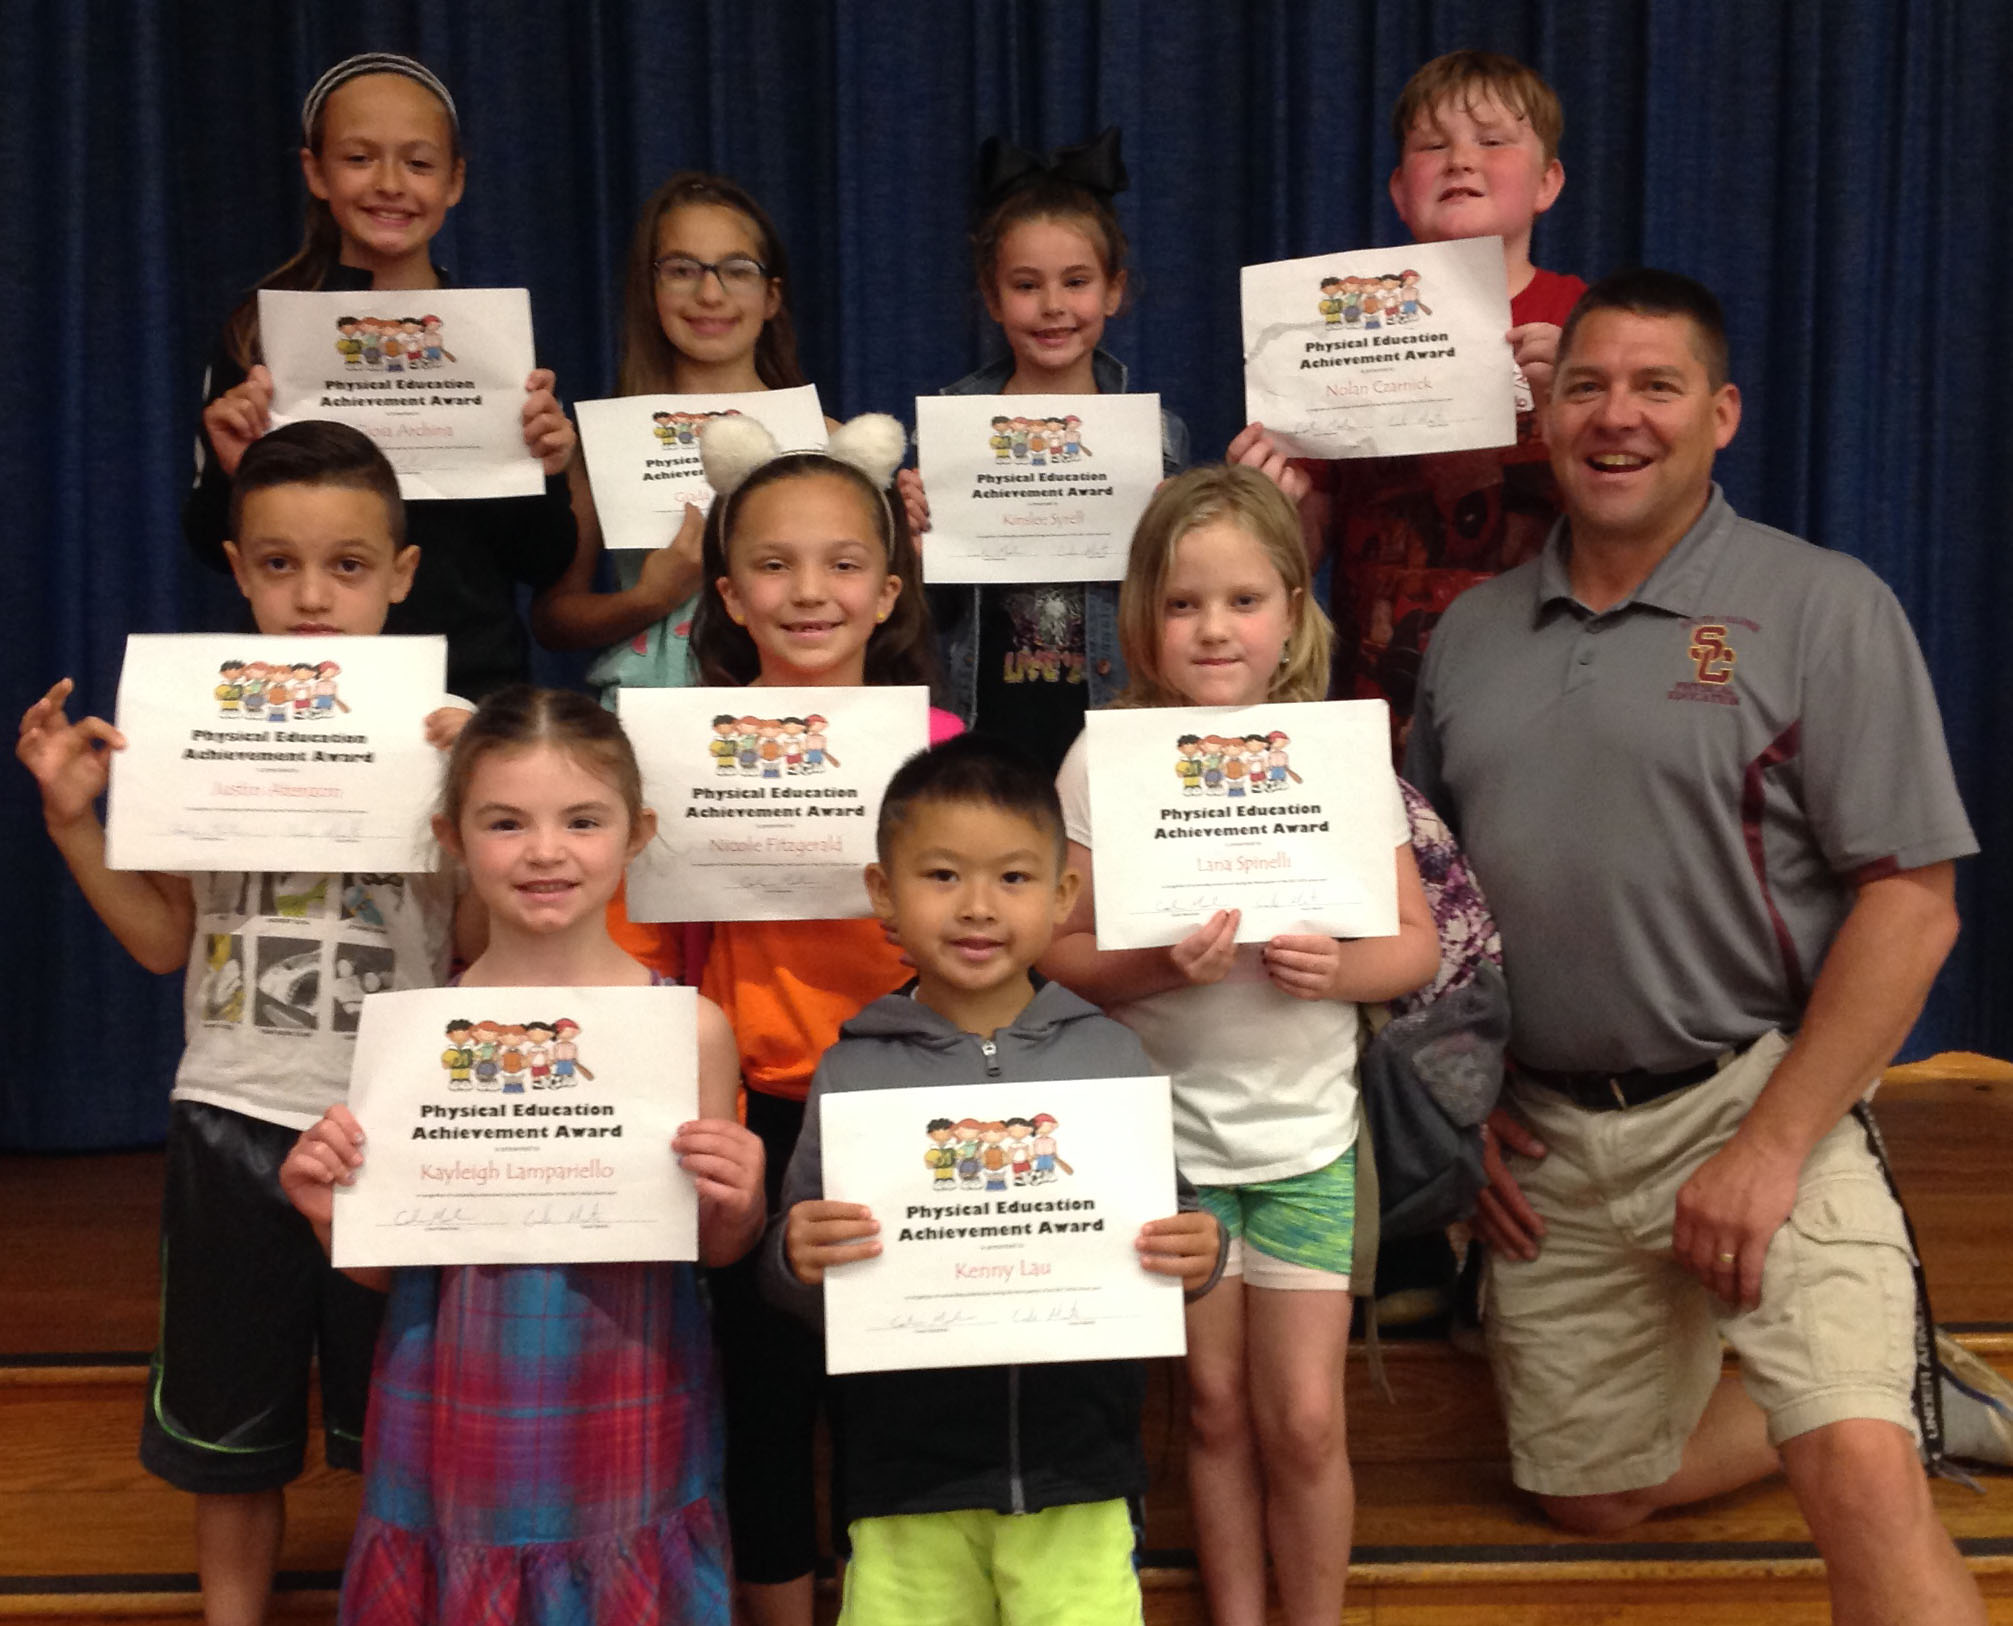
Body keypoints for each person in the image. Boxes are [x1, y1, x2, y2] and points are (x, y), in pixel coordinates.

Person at [1407, 268, 1987, 1626]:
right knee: (1590, 1495)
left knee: (1856, 1472)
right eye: (1584, 386)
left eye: (1656, 386)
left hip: (1756, 1095)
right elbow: (1434, 901)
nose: (1617, 416)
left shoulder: (1822, 606)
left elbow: (1914, 900)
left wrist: (1773, 1143)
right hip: (1549, 1132)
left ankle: (1875, 1402)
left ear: (1719, 413)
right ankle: (1907, 1383)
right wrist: (1457, 1094)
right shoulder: (1471, 634)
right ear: (1541, 415)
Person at [15, 421, 461, 1626]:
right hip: (230, 1111)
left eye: (349, 566)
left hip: (392, 1126)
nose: (312, 595)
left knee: (398, 1420)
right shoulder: (190, 723)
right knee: (229, 1421)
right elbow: (166, 940)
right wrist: (72, 822)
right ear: (235, 564)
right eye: (278, 565)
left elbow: (489, 949)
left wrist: (485, 802)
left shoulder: (452, 735)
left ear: (403, 574)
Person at [1042, 466, 1440, 1625]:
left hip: (1310, 1144)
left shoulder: (1338, 756)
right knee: (1212, 1408)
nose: (1214, 628)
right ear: (1142, 620)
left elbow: (1414, 945)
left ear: (1294, 612)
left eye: (1244, 600)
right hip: (1171, 1154)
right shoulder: (1099, 763)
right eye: (1182, 604)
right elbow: (1055, 952)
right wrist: (1157, 966)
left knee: (1306, 1418)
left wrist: (1343, 967)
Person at [279, 685, 766, 1623]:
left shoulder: (691, 1031)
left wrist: (738, 1204)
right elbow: (387, 1267)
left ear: (636, 833)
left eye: (582, 820)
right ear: (453, 837)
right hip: (453, 1405)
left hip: (627, 1399)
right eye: (506, 823)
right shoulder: (411, 1034)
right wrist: (328, 1215)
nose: (546, 851)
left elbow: (713, 1249)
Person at [763, 734, 1224, 1624]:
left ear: (1061, 899)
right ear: (883, 895)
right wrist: (793, 1258)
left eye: (1012, 879)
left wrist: (1199, 1251)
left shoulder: (1111, 1056)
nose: (977, 907)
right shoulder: (851, 1072)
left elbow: (1176, 1235)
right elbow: (800, 1284)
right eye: (941, 876)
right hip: (903, 1483)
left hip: (1078, 1475)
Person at [683, 412, 963, 1626]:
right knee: (763, 1402)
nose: (810, 591)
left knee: (892, 1403)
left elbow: (991, 956)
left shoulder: (943, 752)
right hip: (753, 1118)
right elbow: (658, 968)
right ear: (731, 593)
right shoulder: (676, 758)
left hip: (907, 1109)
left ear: (889, 589)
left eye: (844, 564)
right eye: (774, 564)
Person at [181, 51, 578, 701]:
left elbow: (541, 562)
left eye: (418, 163)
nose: (390, 183)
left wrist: (550, 472)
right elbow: (211, 548)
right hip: (309, 691)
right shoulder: (257, 336)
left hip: (470, 686)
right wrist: (233, 471)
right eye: (359, 158)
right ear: (315, 171)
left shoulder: (495, 345)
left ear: (454, 182)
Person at [1233, 49, 1585, 755]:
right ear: (1399, 190)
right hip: (1380, 700)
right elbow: (1301, 555)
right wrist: (1271, 501)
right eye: (1433, 145)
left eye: (1492, 141)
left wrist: (1568, 416)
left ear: (1547, 182)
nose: (1460, 160)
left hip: (1553, 695)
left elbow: (1642, 524)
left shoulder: (1586, 322)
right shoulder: (1322, 327)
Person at [897, 126, 1190, 775]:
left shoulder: (1157, 438)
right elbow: (929, 619)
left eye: (1076, 282)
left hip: (1109, 726)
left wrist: (1174, 540)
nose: (1054, 306)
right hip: (985, 723)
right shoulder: (950, 431)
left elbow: (1179, 606)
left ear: (1113, 291)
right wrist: (914, 547)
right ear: (991, 297)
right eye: (1027, 285)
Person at [533, 171, 831, 701]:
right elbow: (554, 620)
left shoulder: (822, 439)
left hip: (792, 728)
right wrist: (650, 597)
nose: (710, 293)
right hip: (644, 726)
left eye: (737, 270)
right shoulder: (606, 439)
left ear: (771, 296)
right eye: (682, 270)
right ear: (651, 290)